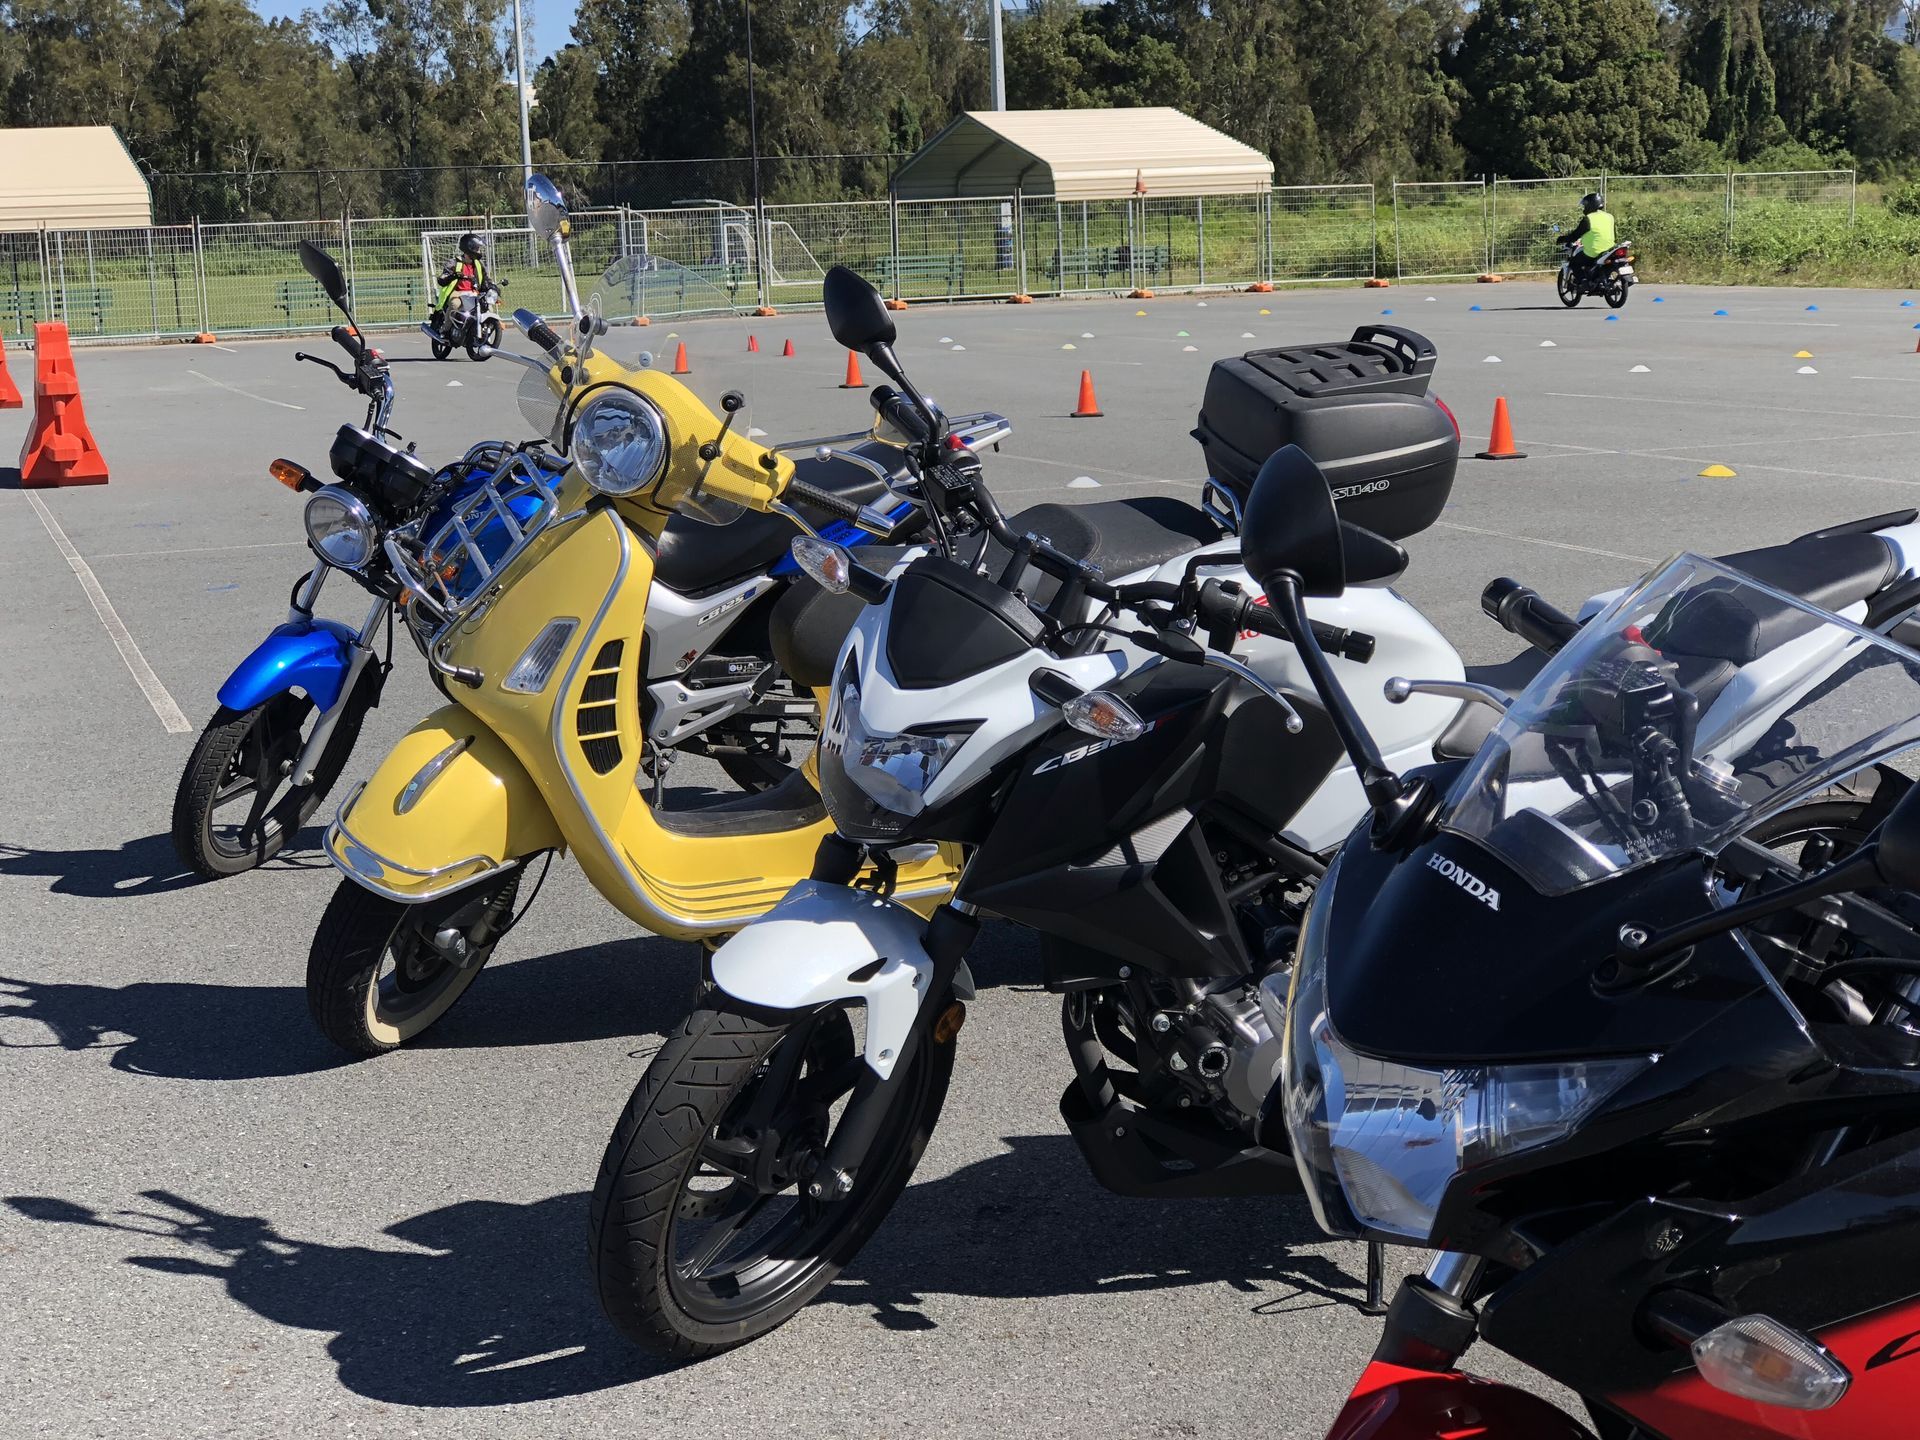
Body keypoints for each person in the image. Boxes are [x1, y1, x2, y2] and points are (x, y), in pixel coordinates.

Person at [431, 232, 490, 332]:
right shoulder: (454, 263)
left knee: (488, 307)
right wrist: (454, 275)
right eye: (477, 248)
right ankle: (445, 329)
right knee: (455, 304)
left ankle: (484, 331)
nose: (479, 251)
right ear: (469, 248)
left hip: (473, 293)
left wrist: (492, 287)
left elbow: (486, 279)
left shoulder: (479, 264)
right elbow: (442, 279)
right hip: (457, 293)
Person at [1563, 192, 1615, 286]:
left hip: (1593, 251)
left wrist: (1563, 239)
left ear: (1590, 205)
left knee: (1574, 262)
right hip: (1609, 250)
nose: (1584, 208)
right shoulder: (1610, 216)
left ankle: (1583, 282)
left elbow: (1576, 235)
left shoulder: (1588, 219)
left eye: (1585, 205)